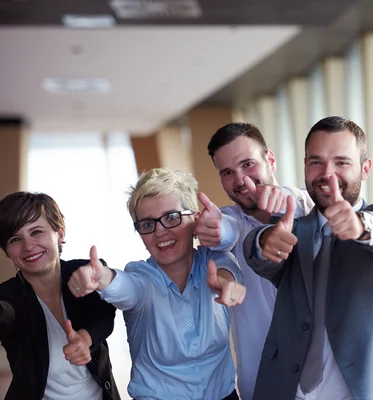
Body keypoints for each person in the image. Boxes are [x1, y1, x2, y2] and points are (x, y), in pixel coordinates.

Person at [243, 116, 373, 400]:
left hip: (371, 389)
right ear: (304, 166)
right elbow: (257, 254)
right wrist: (263, 240)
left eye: (341, 162)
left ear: (365, 168)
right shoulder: (293, 230)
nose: (327, 174)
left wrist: (362, 227)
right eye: (316, 162)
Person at [68, 168, 246, 400]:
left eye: (172, 217)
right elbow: (126, 287)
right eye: (147, 224)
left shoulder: (214, 260)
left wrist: (227, 283)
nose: (160, 231)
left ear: (195, 218)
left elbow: (226, 270)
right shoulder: (141, 276)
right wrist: (101, 276)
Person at [198, 122, 314, 400]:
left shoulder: (311, 207)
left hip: (324, 383)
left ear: (270, 159)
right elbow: (226, 237)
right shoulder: (228, 222)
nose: (240, 180)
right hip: (263, 384)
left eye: (247, 164)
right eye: (227, 172)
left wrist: (288, 199)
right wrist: (216, 230)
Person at [0, 191, 120, 400]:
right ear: (7, 251)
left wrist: (86, 338)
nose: (28, 246)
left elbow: (104, 314)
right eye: (15, 239)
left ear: (60, 233)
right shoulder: (7, 297)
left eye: (36, 232)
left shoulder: (82, 271)